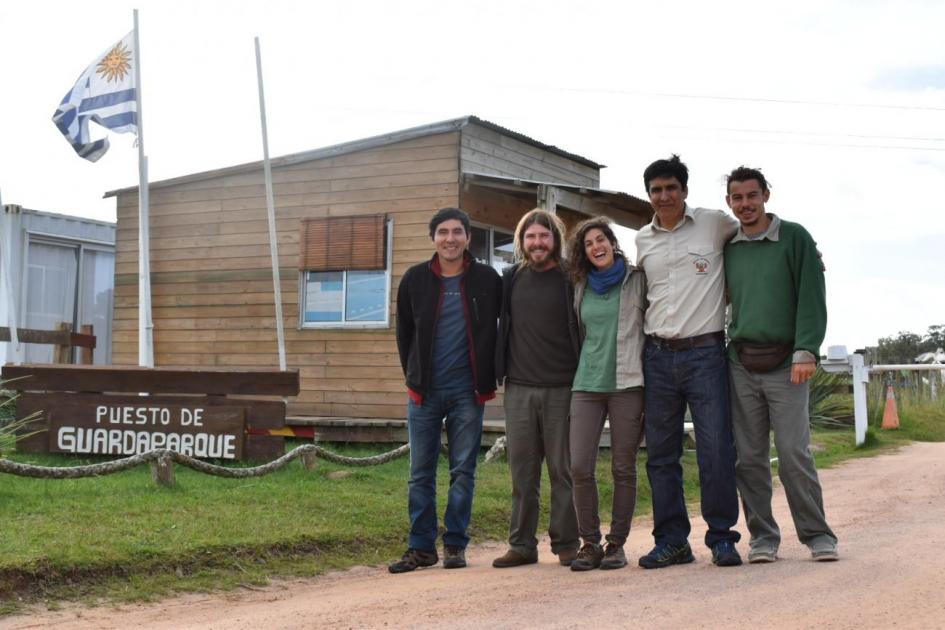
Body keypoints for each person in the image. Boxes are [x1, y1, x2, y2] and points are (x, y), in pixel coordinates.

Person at [723, 166, 838, 563]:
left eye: (752, 196)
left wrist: (807, 348)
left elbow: (812, 293)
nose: (745, 204)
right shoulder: (728, 245)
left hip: (788, 362)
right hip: (740, 361)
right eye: (737, 198)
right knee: (749, 458)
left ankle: (818, 534)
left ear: (766, 195)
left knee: (793, 453)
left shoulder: (795, 237)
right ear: (729, 203)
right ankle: (763, 538)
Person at [634, 155, 743, 568]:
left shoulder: (715, 224)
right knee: (661, 454)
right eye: (656, 190)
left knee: (716, 448)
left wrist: (804, 249)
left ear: (684, 190)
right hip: (657, 356)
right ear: (650, 195)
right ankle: (673, 541)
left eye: (671, 188)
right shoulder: (643, 239)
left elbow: (755, 228)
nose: (664, 196)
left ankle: (722, 538)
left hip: (706, 353)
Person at [389, 207, 502, 573]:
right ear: (433, 238)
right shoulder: (414, 280)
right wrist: (414, 377)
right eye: (443, 232)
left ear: (468, 237)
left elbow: (502, 327)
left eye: (457, 232)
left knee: (463, 471)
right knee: (420, 473)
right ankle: (421, 548)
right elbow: (404, 333)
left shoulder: (487, 279)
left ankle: (455, 544)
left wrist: (492, 373)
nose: (450, 238)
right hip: (424, 393)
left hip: (468, 392)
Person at [492, 209, 581, 568]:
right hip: (519, 388)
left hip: (563, 387)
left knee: (563, 471)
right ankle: (522, 545)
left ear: (555, 239)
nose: (537, 243)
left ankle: (567, 544)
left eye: (544, 236)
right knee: (522, 473)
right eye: (530, 237)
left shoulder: (571, 278)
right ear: (521, 241)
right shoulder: (511, 277)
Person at [565, 217, 647, 571]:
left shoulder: (637, 280)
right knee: (580, 465)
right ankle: (589, 543)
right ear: (583, 252)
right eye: (588, 243)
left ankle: (616, 543)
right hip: (587, 383)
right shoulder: (580, 284)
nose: (596, 247)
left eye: (601, 239)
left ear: (613, 242)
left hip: (628, 383)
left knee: (622, 467)